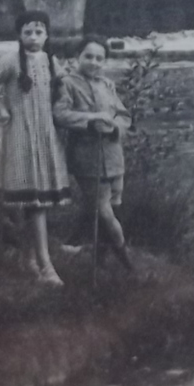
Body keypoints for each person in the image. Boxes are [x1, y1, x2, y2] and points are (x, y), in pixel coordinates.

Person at [0, 11, 71, 285]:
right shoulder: (11, 61)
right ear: (20, 35)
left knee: (33, 202)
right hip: (19, 137)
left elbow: (65, 91)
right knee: (33, 202)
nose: (34, 37)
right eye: (28, 32)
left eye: (39, 31)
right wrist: (0, 107)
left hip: (45, 136)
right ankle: (46, 266)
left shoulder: (52, 62)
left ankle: (29, 259)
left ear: (47, 35)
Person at [54, 36, 134, 272]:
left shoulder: (107, 85)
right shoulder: (66, 83)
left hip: (113, 154)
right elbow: (60, 114)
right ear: (76, 57)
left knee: (115, 206)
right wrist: (90, 121)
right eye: (88, 56)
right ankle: (126, 260)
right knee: (103, 211)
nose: (94, 62)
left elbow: (124, 115)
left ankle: (100, 259)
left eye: (100, 58)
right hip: (87, 157)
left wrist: (115, 127)